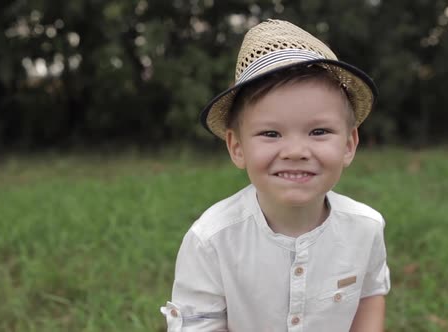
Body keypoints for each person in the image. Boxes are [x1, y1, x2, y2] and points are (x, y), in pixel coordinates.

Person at [161, 19, 391, 332]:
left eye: (318, 131)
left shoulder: (366, 228)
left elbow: (369, 294)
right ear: (237, 147)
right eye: (271, 133)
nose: (295, 151)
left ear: (349, 144)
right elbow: (199, 324)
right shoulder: (212, 240)